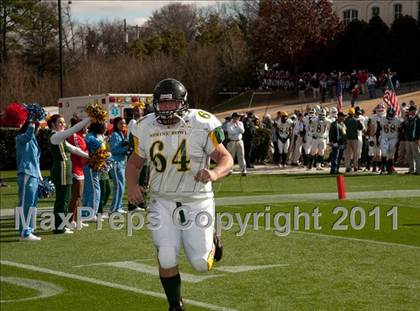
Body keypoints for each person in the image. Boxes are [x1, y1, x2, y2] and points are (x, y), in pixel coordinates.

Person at [126, 78, 233, 311]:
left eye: (171, 104)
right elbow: (134, 164)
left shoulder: (200, 123)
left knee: (200, 264)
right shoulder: (145, 126)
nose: (166, 110)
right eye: (162, 105)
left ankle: (214, 242)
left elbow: (226, 158)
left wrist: (214, 173)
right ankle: (175, 304)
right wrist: (131, 185)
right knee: (166, 255)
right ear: (155, 104)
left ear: (183, 103)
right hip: (162, 200)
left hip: (197, 200)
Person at [47, 114, 90, 234]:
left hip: (65, 171)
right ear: (53, 125)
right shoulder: (55, 136)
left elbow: (75, 150)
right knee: (62, 200)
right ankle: (59, 227)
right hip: (61, 171)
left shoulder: (59, 138)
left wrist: (91, 156)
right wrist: (88, 119)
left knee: (65, 198)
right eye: (60, 122)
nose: (63, 125)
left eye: (63, 122)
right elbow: (73, 129)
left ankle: (62, 225)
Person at [16, 119, 42, 241]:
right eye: (38, 127)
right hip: (26, 173)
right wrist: (32, 121)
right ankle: (24, 232)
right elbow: (27, 136)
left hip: (34, 174)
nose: (39, 130)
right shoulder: (21, 137)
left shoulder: (33, 140)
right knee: (25, 203)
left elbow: (36, 160)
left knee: (32, 204)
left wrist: (40, 177)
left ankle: (29, 230)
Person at [66, 116, 89, 229]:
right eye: (85, 126)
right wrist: (91, 157)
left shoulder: (80, 136)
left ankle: (76, 219)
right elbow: (79, 152)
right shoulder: (74, 136)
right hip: (75, 169)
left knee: (79, 196)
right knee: (76, 195)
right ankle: (70, 220)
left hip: (80, 168)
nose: (87, 128)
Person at [82, 122, 108, 220]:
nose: (105, 128)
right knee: (94, 190)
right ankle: (91, 214)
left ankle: (86, 213)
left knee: (89, 190)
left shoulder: (92, 136)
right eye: (103, 126)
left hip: (91, 166)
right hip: (90, 166)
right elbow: (99, 148)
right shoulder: (91, 137)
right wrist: (107, 154)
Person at [109, 117, 129, 214]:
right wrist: (126, 148)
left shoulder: (121, 134)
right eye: (121, 123)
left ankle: (119, 206)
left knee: (121, 185)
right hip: (116, 163)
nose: (123, 125)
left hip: (121, 163)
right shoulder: (115, 135)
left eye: (124, 123)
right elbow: (113, 150)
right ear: (116, 124)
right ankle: (114, 209)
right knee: (119, 186)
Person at [377, 107, 401, 174]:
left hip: (394, 138)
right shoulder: (382, 119)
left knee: (391, 155)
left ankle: (390, 169)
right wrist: (377, 139)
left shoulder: (397, 120)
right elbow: (378, 129)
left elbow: (400, 131)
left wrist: (398, 141)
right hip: (384, 138)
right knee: (384, 153)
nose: (390, 116)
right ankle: (382, 168)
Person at [344, 108, 363, 172]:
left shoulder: (345, 120)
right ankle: (355, 166)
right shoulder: (356, 120)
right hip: (355, 139)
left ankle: (348, 167)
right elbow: (361, 128)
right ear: (354, 113)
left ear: (348, 113)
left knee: (348, 154)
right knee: (355, 154)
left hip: (347, 139)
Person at [403, 105, 420, 174]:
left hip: (415, 140)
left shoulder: (418, 119)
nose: (410, 112)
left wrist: (418, 138)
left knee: (416, 155)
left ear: (414, 111)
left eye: (412, 110)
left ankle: (418, 170)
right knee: (409, 155)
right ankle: (411, 170)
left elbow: (419, 130)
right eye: (410, 111)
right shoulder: (408, 119)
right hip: (408, 139)